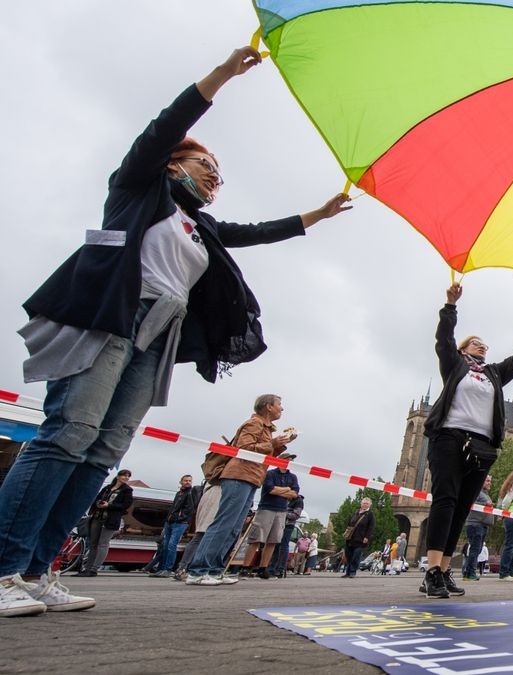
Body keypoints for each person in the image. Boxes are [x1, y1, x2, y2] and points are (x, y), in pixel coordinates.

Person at [0, 47, 351, 618]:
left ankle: (37, 571)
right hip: (114, 314)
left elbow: (253, 232)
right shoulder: (141, 190)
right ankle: (4, 566)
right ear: (173, 164)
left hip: (157, 336)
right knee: (68, 434)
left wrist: (318, 214)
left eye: (219, 171)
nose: (215, 176)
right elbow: (161, 129)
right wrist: (220, 79)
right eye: (206, 164)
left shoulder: (200, 227)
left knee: (102, 451)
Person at [419, 282, 513, 599]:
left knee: (462, 508)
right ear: (464, 349)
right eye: (476, 343)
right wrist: (450, 307)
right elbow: (443, 340)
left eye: (485, 345)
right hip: (449, 438)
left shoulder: (492, 373)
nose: (483, 347)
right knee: (446, 501)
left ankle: (445, 570)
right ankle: (432, 571)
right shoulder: (454, 365)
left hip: (481, 447)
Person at [185, 395, 295, 586]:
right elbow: (243, 448)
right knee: (223, 523)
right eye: (279, 405)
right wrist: (273, 443)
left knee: (235, 527)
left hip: (252, 477)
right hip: (239, 476)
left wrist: (279, 444)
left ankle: (215, 569)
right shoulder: (254, 424)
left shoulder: (266, 429)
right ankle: (198, 570)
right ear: (268, 407)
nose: (282, 409)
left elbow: (264, 454)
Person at [243, 463, 300, 580]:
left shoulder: (293, 477)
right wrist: (287, 490)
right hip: (266, 508)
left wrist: (279, 490)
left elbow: (294, 493)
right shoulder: (270, 474)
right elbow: (269, 489)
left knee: (273, 540)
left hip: (281, 511)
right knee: (256, 538)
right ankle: (245, 567)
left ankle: (263, 568)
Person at [77, 469, 134, 578]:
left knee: (102, 544)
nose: (126, 477)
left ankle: (94, 569)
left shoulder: (127, 490)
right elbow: (97, 498)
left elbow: (125, 505)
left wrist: (109, 505)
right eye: (124, 475)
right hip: (97, 517)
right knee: (93, 543)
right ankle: (86, 569)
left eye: (128, 476)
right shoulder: (107, 488)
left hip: (110, 520)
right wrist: (97, 504)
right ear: (118, 476)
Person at [148, 474, 200, 577]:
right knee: (166, 545)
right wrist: (168, 519)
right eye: (186, 480)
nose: (188, 482)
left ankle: (168, 569)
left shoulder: (190, 493)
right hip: (170, 522)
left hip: (180, 523)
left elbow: (190, 508)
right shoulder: (179, 493)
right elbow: (173, 507)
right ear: (181, 481)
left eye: (190, 480)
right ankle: (161, 569)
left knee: (172, 545)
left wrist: (180, 518)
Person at [462, 475, 494, 581]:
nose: (489, 483)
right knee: (475, 550)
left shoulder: (485, 494)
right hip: (475, 525)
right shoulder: (476, 492)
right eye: (487, 481)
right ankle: (469, 573)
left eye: (490, 481)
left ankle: (468, 572)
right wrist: (485, 503)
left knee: (477, 549)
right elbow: (470, 503)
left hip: (482, 525)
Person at [341, 498, 375, 578]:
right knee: (348, 555)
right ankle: (348, 572)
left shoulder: (370, 514)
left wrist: (367, 537)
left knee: (356, 556)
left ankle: (352, 572)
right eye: (364, 503)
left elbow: (371, 527)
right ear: (361, 504)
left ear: (370, 505)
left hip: (360, 539)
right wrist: (346, 532)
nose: (365, 505)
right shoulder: (356, 512)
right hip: (350, 538)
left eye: (367, 503)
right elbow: (349, 523)